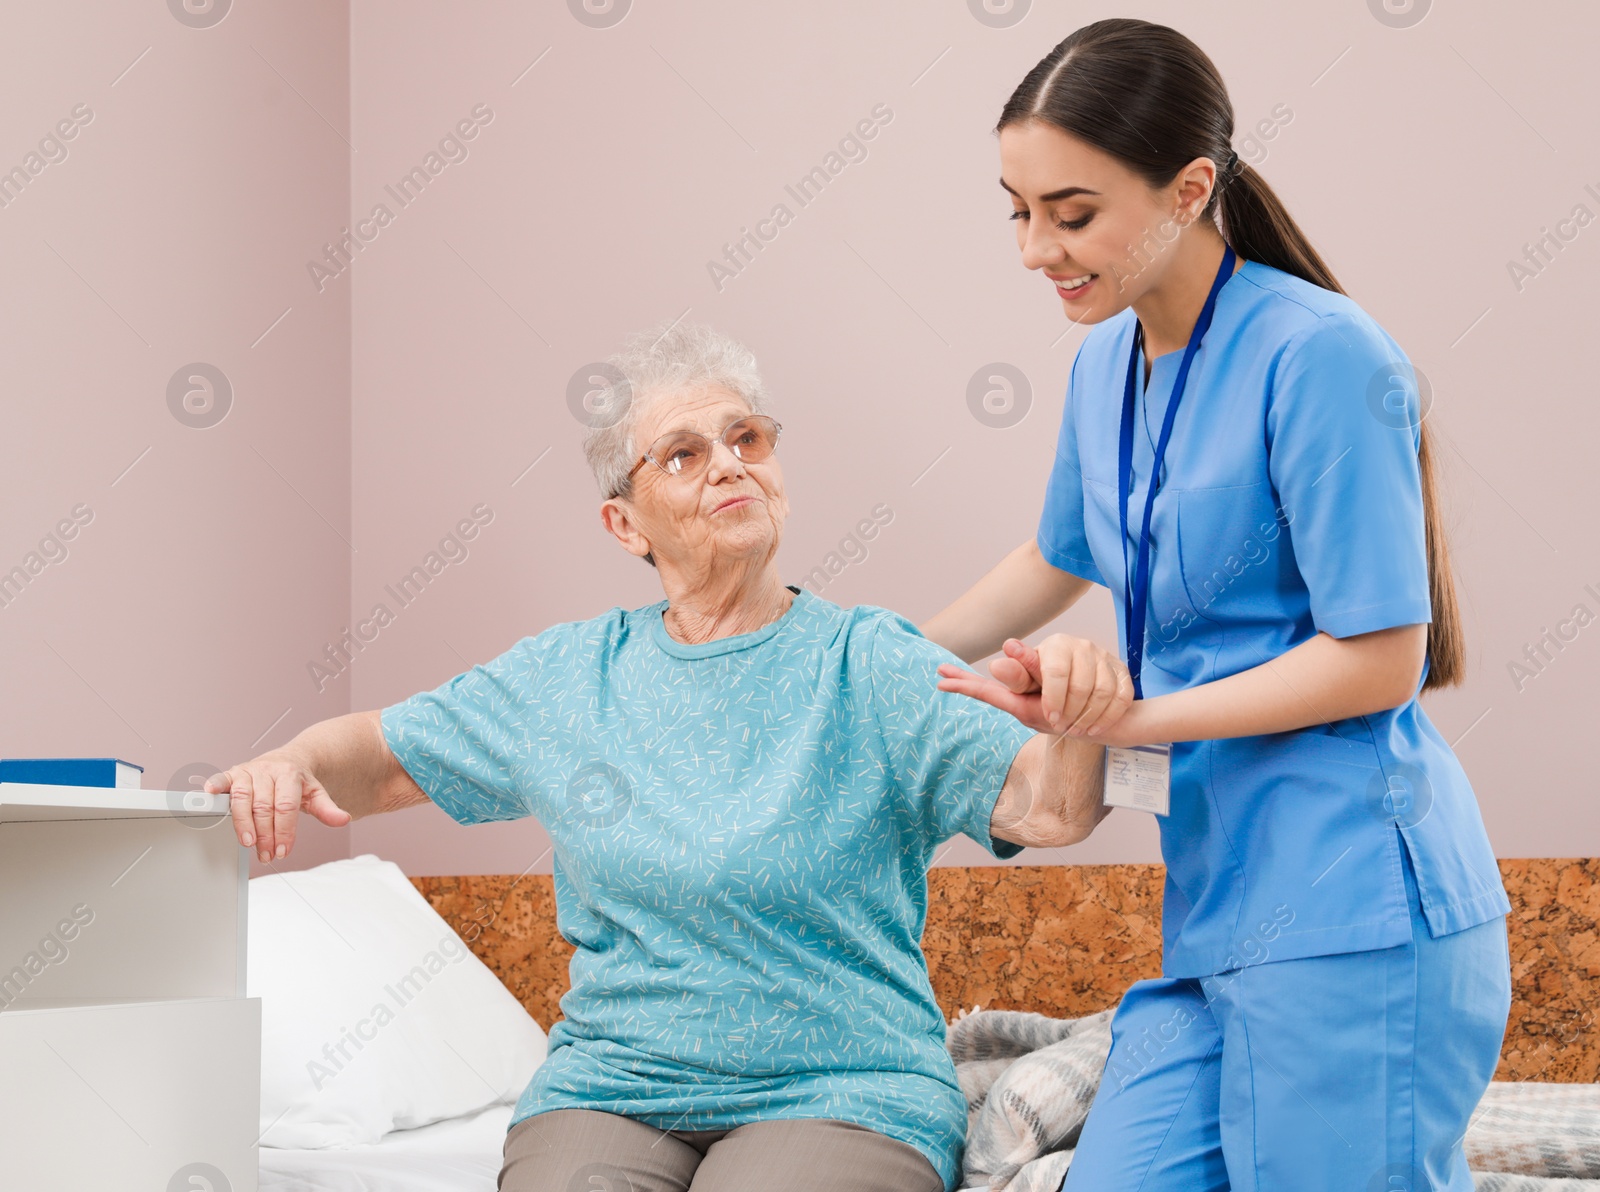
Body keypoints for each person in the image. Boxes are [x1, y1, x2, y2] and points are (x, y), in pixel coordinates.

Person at [205, 320, 1112, 1192]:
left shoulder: (872, 661)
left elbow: (1051, 810)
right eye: (683, 453)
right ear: (625, 526)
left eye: (747, 437)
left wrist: (1074, 716)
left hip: (842, 1087)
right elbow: (383, 755)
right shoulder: (566, 676)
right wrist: (293, 759)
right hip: (615, 1091)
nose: (730, 463)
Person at [922, 18, 1512, 1192]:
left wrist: (1121, 721)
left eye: (1071, 212)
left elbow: (1379, 661)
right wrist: (855, 654)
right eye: (1018, 211)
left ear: (1190, 188)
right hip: (1213, 913)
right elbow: (1057, 554)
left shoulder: (1324, 357)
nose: (1035, 248)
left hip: (1354, 912)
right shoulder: (1107, 366)